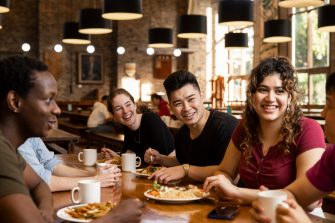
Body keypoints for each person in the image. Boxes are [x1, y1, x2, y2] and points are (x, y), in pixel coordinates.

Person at [0, 55, 143, 223]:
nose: (57, 110)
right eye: (48, 100)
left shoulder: (9, 148)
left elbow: (40, 184)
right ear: (15, 102)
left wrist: (45, 210)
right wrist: (114, 217)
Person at [203, 56, 326, 204]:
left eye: (279, 91)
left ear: (290, 97)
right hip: (250, 214)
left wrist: (237, 192)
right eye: (263, 90)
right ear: (252, 96)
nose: (270, 98)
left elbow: (309, 199)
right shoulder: (245, 127)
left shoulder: (309, 130)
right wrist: (222, 180)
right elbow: (224, 171)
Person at [251, 72, 335, 223]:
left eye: (329, 105)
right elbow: (293, 195)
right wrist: (269, 202)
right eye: (263, 89)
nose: (322, 113)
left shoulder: (308, 128)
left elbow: (309, 205)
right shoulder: (332, 156)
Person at [147, 70, 239, 184]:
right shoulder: (182, 134)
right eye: (178, 103)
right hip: (196, 195)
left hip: (230, 199)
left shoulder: (226, 126)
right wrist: (160, 158)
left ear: (201, 97)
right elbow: (183, 162)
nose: (186, 108)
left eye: (191, 99)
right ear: (171, 107)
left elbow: (231, 174)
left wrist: (185, 170)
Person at [18, 137, 121, 192]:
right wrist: (95, 180)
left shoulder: (27, 132)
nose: (56, 109)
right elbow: (41, 182)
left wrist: (95, 174)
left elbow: (52, 164)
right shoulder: (11, 136)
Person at [102, 88, 174, 162]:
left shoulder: (150, 119)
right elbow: (127, 152)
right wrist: (116, 156)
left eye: (128, 104)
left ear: (135, 105)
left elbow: (160, 156)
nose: (125, 111)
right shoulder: (127, 125)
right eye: (118, 109)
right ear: (113, 115)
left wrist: (129, 156)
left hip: (172, 168)